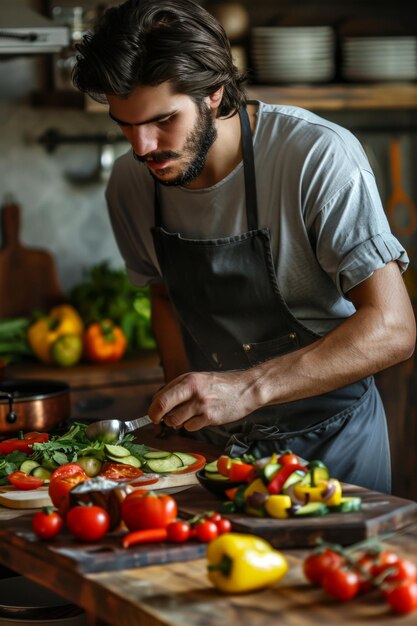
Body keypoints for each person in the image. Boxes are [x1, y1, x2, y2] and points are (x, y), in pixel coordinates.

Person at [73, 0, 416, 493]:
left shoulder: (315, 156)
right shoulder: (131, 183)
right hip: (212, 451)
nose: (142, 146)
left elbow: (394, 328)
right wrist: (178, 417)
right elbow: (165, 296)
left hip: (334, 450)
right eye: (125, 124)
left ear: (213, 93)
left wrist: (247, 388)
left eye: (162, 120)